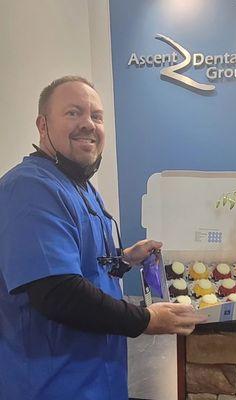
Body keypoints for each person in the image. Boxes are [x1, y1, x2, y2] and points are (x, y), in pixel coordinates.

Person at [0, 76, 206, 400]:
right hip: (52, 384)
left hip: (97, 377)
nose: (88, 124)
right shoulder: (29, 189)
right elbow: (58, 291)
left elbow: (85, 263)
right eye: (73, 113)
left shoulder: (78, 185)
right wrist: (145, 319)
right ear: (42, 124)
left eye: (96, 116)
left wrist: (125, 258)